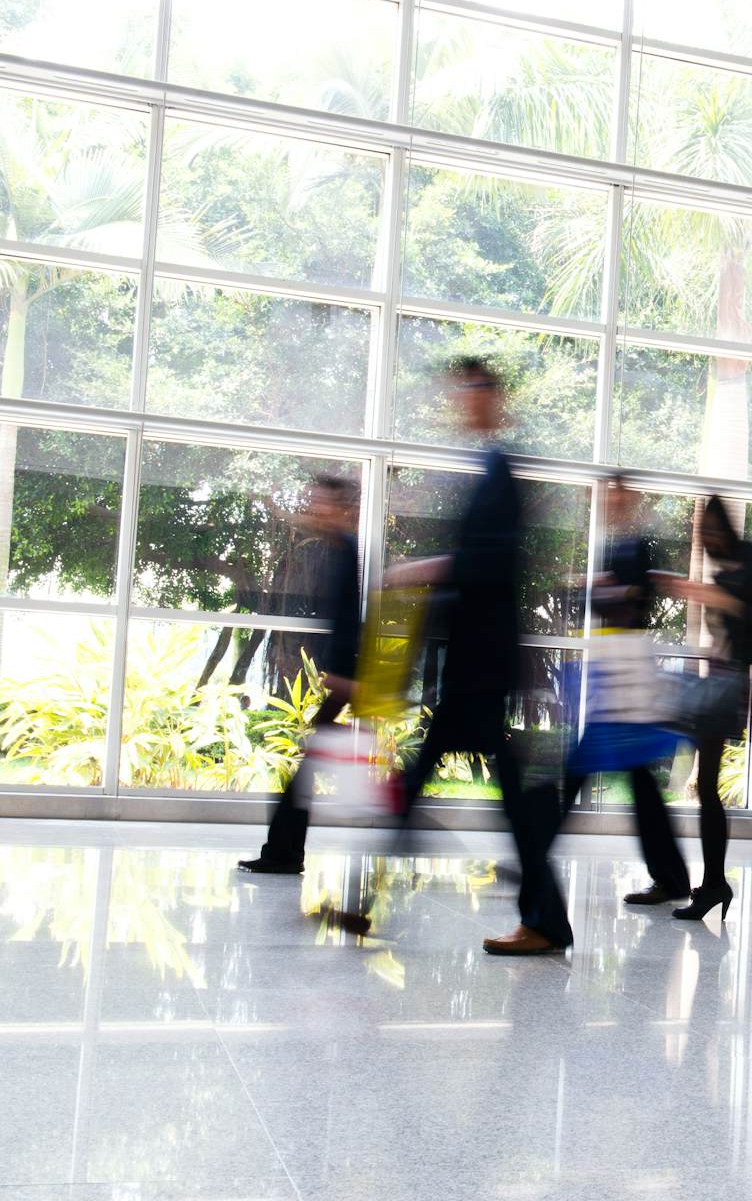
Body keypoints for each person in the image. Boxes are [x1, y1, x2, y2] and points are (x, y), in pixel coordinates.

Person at [365, 356, 570, 955]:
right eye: (459, 389)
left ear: (493, 396)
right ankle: (373, 906)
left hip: (484, 661)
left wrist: (421, 569)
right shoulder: (485, 468)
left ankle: (374, 907)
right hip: (475, 659)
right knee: (465, 788)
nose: (463, 399)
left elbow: (493, 564)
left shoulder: (501, 470)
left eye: (473, 388)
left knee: (501, 801)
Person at [553, 475, 691, 906]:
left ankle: (534, 849)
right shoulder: (618, 545)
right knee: (629, 780)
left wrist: (600, 588)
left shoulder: (637, 545)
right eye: (607, 498)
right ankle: (671, 877)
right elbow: (622, 597)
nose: (610, 504)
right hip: (615, 666)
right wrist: (602, 588)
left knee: (590, 771)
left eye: (617, 497)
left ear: (630, 500)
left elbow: (635, 598)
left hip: (624, 672)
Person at [237, 475, 362, 875]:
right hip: (341, 675)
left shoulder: (346, 551)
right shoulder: (336, 549)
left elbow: (349, 619)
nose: (313, 508)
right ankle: (285, 852)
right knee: (308, 768)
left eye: (321, 501)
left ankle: (283, 853)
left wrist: (342, 674)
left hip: (345, 678)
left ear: (342, 509)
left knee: (307, 768)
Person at [656, 496, 752, 921]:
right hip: (717, 680)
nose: (709, 540)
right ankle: (714, 884)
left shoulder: (750, 563)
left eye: (713, 530)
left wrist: (706, 594)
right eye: (704, 534)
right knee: (706, 787)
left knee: (707, 787)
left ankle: (714, 884)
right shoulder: (725, 571)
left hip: (730, 683)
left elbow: (751, 615)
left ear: (727, 529)